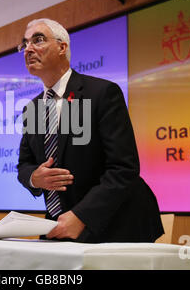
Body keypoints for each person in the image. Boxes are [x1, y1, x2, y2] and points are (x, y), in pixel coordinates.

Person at [16, 18, 164, 243]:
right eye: (24, 44)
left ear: (62, 47)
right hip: (61, 225)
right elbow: (24, 165)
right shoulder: (33, 109)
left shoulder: (102, 92)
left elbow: (124, 167)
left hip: (116, 224)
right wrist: (35, 178)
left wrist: (82, 216)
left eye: (38, 40)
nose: (28, 49)